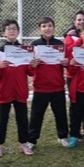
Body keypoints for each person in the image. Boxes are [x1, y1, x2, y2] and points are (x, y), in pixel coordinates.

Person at [0, 20, 34, 158]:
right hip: (5, 91)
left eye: (14, 28)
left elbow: (30, 72)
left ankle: (24, 143)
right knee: (1, 119)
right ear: (3, 33)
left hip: (20, 91)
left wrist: (33, 65)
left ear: (18, 31)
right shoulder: (0, 52)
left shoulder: (24, 50)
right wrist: (0, 67)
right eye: (8, 29)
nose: (12, 31)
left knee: (22, 119)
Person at [28, 17, 70, 149]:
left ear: (54, 28)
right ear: (39, 29)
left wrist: (66, 63)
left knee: (60, 113)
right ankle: (32, 140)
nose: (47, 28)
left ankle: (62, 136)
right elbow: (29, 70)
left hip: (57, 86)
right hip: (40, 87)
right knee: (36, 115)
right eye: (44, 26)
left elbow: (67, 63)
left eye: (50, 25)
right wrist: (33, 65)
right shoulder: (34, 45)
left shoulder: (60, 44)